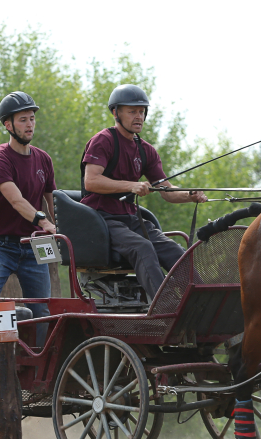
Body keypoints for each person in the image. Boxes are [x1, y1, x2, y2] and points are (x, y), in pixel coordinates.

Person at [80, 84, 206, 301]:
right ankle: (165, 308)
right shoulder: (103, 141)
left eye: (141, 111)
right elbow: (91, 181)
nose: (138, 116)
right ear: (115, 113)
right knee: (143, 247)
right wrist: (130, 185)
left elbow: (166, 190)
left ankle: (202, 303)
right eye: (132, 111)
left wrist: (189, 195)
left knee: (173, 250)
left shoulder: (146, 150)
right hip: (101, 219)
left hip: (130, 218)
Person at [0, 91, 55, 342]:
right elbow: (16, 200)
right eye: (23, 119)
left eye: (32, 118)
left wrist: (56, 227)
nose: (30, 124)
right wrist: (43, 221)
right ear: (8, 125)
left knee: (41, 310)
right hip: (0, 245)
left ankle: (39, 372)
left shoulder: (43, 159)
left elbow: (50, 198)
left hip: (34, 246)